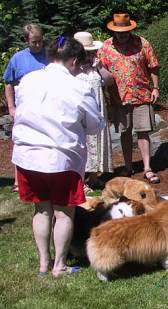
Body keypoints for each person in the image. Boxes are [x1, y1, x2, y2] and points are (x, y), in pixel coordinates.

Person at [11, 36, 104, 277]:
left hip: (28, 155)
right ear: (73, 61)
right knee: (64, 212)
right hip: (60, 156)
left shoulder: (28, 79)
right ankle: (59, 265)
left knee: (41, 210)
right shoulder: (79, 86)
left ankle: (44, 263)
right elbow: (94, 126)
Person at [97, 12, 161, 183]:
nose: (123, 35)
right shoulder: (105, 47)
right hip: (118, 98)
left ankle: (147, 168)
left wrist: (155, 88)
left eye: (126, 31)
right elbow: (99, 71)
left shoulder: (142, 43)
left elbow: (153, 66)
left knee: (143, 132)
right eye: (119, 32)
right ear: (114, 31)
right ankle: (128, 166)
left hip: (141, 94)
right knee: (125, 133)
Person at [3, 24, 48, 192]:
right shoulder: (18, 58)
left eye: (40, 41)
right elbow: (8, 83)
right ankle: (18, 181)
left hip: (46, 107)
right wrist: (11, 106)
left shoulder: (48, 56)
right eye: (34, 42)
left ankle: (42, 178)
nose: (38, 45)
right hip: (25, 108)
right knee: (22, 142)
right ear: (26, 41)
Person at [74, 31, 114, 191]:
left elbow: (109, 81)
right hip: (80, 108)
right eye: (87, 52)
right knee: (83, 141)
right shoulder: (73, 67)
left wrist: (99, 67)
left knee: (97, 139)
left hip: (97, 108)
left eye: (91, 51)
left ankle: (93, 177)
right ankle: (80, 180)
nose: (90, 54)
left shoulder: (97, 65)